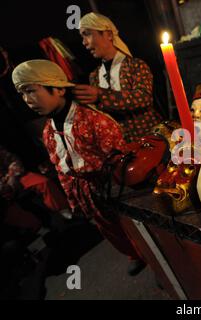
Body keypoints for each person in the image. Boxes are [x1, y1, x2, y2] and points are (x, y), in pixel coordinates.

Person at [12, 59, 146, 276]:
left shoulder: (92, 119)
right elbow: (61, 168)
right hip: (88, 195)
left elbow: (119, 158)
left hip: (114, 188)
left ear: (57, 88)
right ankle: (134, 254)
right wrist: (74, 201)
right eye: (22, 94)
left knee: (134, 227)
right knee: (111, 231)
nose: (27, 100)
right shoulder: (48, 131)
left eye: (31, 91)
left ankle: (156, 261)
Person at [73, 12, 162, 143]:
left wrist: (101, 95)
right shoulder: (94, 76)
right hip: (120, 147)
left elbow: (143, 98)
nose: (84, 42)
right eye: (82, 37)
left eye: (87, 34)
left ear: (108, 34)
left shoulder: (135, 65)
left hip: (149, 140)